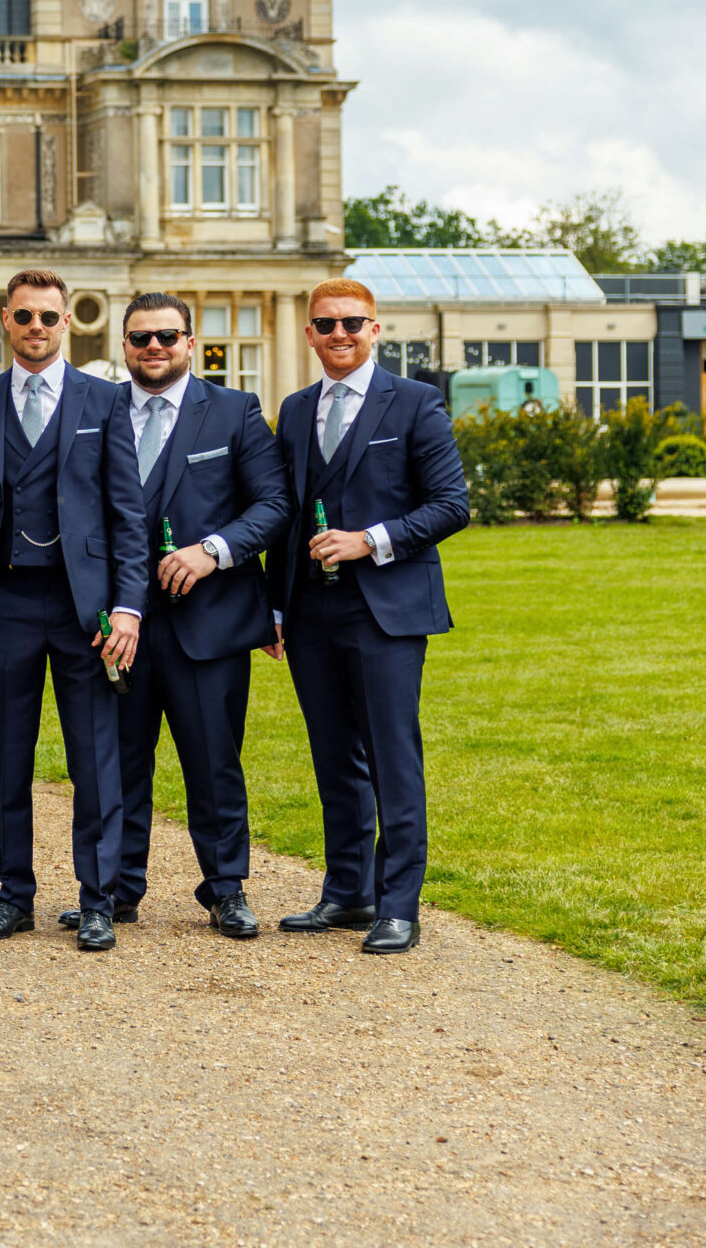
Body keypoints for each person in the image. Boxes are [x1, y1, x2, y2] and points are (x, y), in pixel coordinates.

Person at [267, 276, 469, 955]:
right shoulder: (294, 411)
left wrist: (369, 540)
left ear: (375, 329)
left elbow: (451, 505)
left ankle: (398, 903)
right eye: (326, 325)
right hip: (309, 610)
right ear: (310, 334)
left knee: (391, 755)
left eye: (353, 323)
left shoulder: (414, 403)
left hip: (387, 606)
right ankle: (348, 891)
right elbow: (285, 518)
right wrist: (273, 606)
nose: (340, 335)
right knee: (333, 755)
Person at [0, 269, 148, 952]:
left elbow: (129, 512)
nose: (37, 327)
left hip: (83, 607)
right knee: (8, 754)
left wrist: (128, 606)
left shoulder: (105, 400)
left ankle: (99, 897)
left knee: (95, 756)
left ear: (68, 322)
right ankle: (13, 893)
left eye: (49, 316)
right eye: (25, 316)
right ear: (4, 319)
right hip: (3, 599)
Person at [89, 295, 289, 940]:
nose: (154, 347)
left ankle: (225, 887)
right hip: (120, 623)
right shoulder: (97, 410)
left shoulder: (233, 411)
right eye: (140, 337)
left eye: (166, 336)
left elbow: (274, 503)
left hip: (210, 622)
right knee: (119, 761)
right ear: (124, 344)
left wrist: (214, 551)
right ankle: (117, 888)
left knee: (213, 761)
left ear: (190, 340)